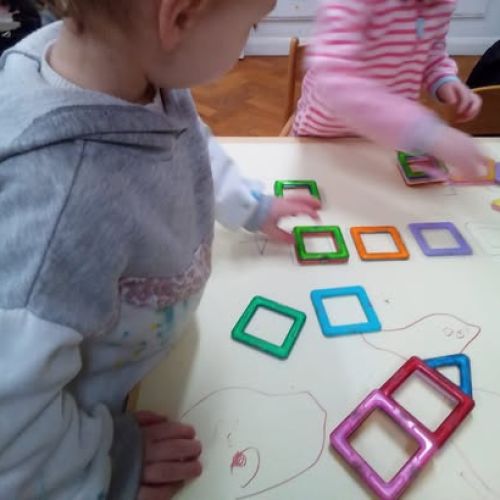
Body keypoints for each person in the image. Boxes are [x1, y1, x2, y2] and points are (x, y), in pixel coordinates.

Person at [0, 1, 320, 499]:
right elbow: (12, 427)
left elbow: (186, 143)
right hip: (96, 411)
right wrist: (106, 461)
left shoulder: (137, 80)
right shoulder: (61, 204)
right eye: (252, 24)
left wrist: (253, 205)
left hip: (160, 358)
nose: (250, 39)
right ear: (179, 18)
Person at [293, 0, 487, 179]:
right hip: (325, 136)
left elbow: (432, 50)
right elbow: (335, 81)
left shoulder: (440, 4)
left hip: (390, 139)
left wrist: (444, 79)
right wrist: (426, 133)